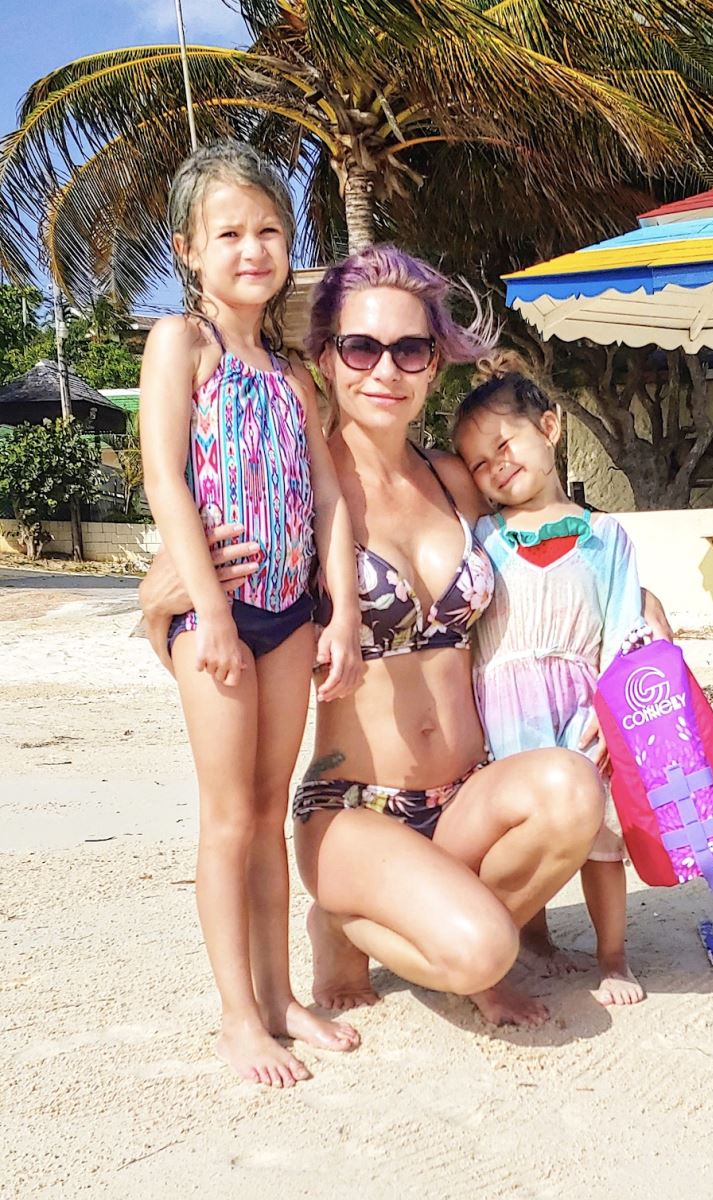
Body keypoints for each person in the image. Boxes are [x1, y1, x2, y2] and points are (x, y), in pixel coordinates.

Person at [142, 244, 608, 1030]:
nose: (384, 369)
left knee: (573, 793)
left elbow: (546, 556)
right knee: (483, 956)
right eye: (361, 347)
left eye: (410, 348)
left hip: (465, 795)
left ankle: (436, 914)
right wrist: (157, 602)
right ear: (325, 358)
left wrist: (642, 609)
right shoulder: (294, 492)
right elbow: (211, 602)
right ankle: (349, 920)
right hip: (356, 807)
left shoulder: (453, 480)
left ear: (432, 365)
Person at [138, 140, 362, 1088]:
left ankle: (279, 1000)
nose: (252, 249)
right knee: (229, 817)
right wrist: (212, 616)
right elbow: (164, 479)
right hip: (221, 619)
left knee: (270, 812)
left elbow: (328, 503)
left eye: (268, 230)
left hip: (293, 613)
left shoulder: (293, 374)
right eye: (228, 233)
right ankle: (237, 1017)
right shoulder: (179, 344)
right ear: (191, 249)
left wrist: (341, 613)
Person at [452, 365, 658, 1005]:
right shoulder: (483, 539)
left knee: (601, 839)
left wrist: (616, 710)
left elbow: (626, 630)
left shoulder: (605, 537)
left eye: (505, 445)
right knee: (524, 831)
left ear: (551, 427)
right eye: (479, 463)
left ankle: (614, 957)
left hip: (583, 715)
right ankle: (533, 936)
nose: (496, 468)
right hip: (504, 719)